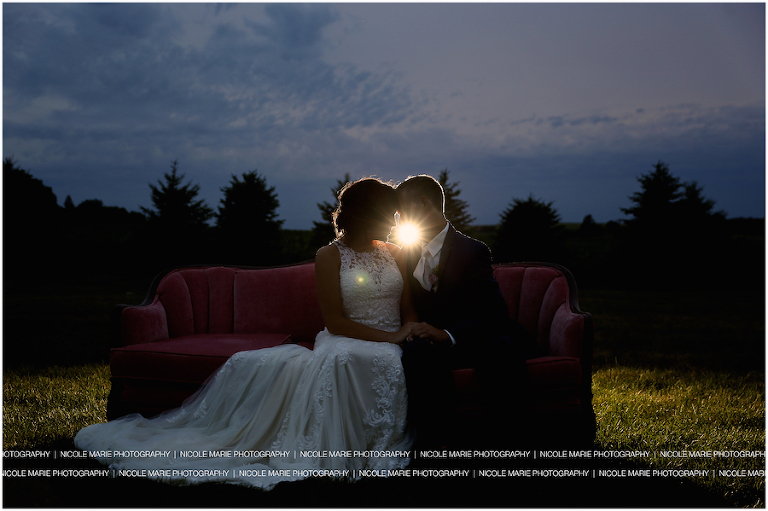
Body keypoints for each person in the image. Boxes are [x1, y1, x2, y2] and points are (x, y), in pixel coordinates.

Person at [74, 178, 417, 490]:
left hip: (393, 337)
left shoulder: (397, 253)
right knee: (347, 357)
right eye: (388, 214)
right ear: (367, 213)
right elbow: (335, 321)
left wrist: (406, 331)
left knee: (382, 360)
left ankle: (376, 446)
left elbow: (408, 307)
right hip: (346, 337)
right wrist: (392, 338)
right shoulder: (330, 255)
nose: (393, 223)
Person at [395, 174, 531, 449]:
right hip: (425, 343)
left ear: (422, 204)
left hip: (468, 336)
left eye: (400, 211)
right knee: (415, 355)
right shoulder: (404, 252)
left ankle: (509, 444)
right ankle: (437, 447)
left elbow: (495, 314)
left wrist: (447, 333)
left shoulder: (471, 251)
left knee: (501, 349)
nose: (397, 219)